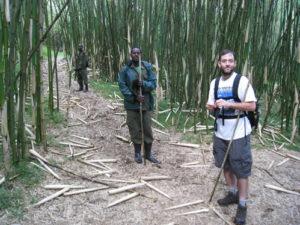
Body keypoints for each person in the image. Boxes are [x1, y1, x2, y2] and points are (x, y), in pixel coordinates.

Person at [206, 49, 256, 225]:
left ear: (234, 63)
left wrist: (229, 103)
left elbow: (252, 106)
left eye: (230, 61)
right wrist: (210, 106)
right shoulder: (214, 82)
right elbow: (210, 103)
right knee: (225, 165)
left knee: (241, 168)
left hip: (239, 130)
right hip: (221, 131)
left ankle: (242, 204)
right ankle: (232, 193)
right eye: (224, 61)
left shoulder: (242, 81)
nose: (227, 64)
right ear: (219, 64)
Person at [118, 47, 158, 164]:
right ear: (131, 55)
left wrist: (144, 84)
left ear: (141, 54)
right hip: (132, 105)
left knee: (147, 129)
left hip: (145, 104)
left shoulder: (147, 67)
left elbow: (154, 83)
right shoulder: (125, 70)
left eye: (138, 53)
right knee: (134, 129)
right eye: (134, 53)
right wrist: (134, 96)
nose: (136, 55)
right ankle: (137, 154)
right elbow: (122, 85)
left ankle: (148, 154)